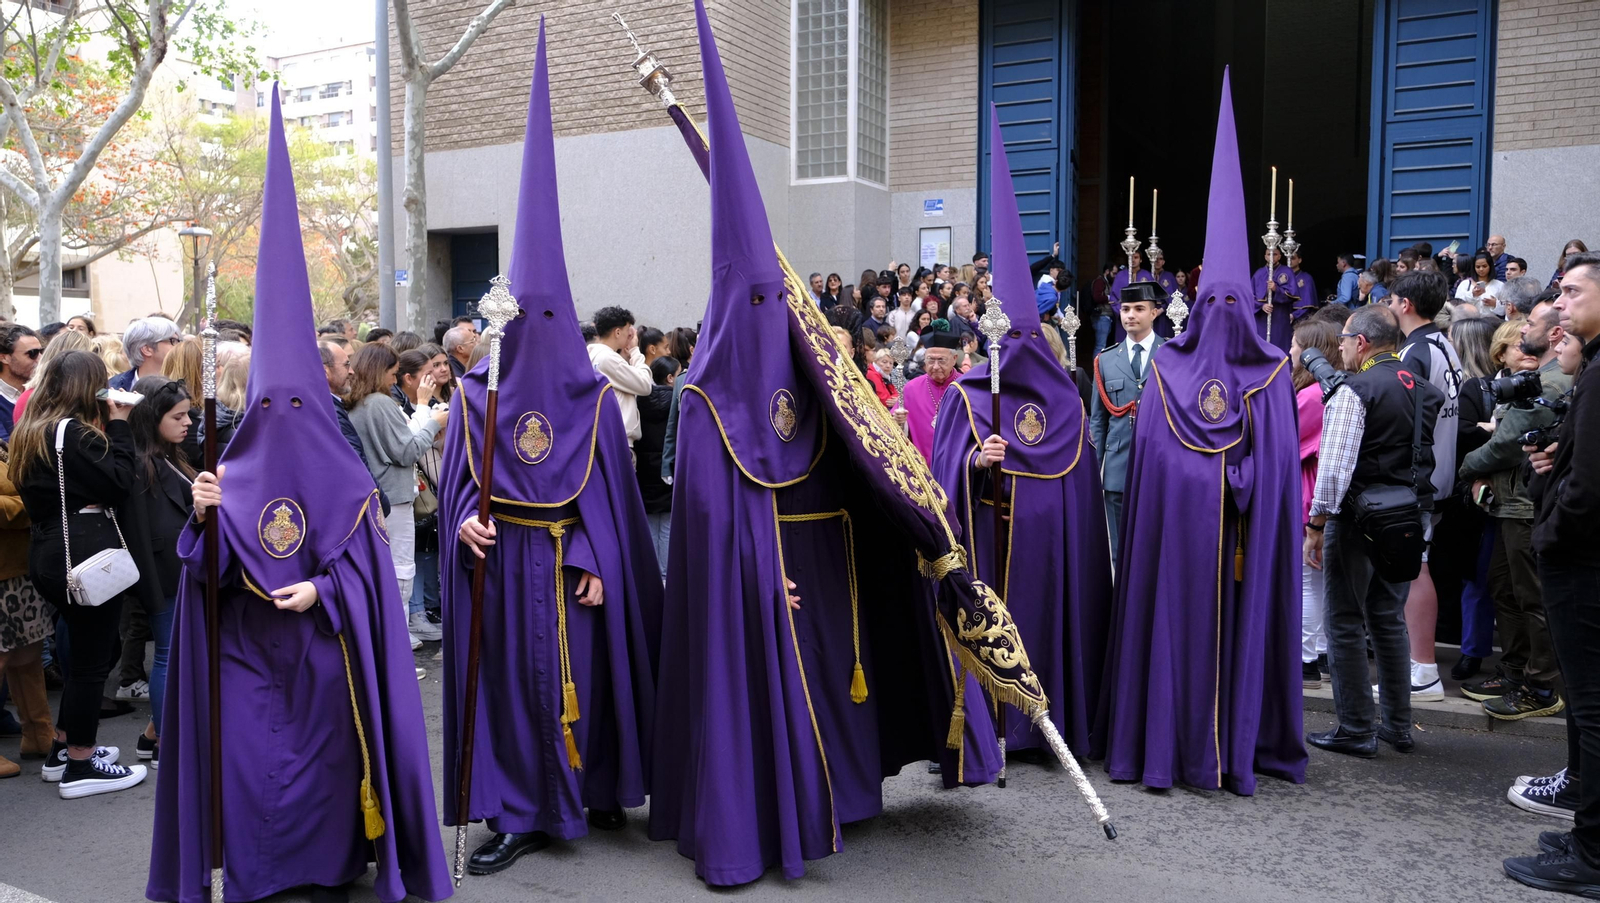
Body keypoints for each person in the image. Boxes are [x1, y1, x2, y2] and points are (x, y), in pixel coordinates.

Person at [649, 8, 1007, 884]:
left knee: (848, 681)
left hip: (837, 550)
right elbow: (702, 513)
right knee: (775, 690)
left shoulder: (820, 371)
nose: (777, 321)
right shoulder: (702, 399)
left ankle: (847, 797)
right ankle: (764, 813)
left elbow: (866, 452)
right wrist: (758, 574)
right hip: (769, 571)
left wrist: (915, 529)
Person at [147, 93, 450, 903]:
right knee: (250, 768)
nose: (280, 421)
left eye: (296, 404)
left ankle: (332, 865)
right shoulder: (227, 470)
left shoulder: (346, 475)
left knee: (323, 770)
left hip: (323, 652)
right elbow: (200, 581)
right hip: (246, 656)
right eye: (267, 406)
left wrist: (321, 585)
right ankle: (253, 875)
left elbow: (366, 576)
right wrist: (206, 514)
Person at [440, 37, 662, 875]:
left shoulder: (595, 399)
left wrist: (603, 554)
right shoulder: (473, 398)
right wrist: (464, 523)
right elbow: (458, 484)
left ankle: (594, 785)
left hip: (571, 562)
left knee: (587, 679)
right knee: (517, 685)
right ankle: (524, 808)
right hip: (504, 560)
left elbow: (616, 496)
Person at [1096, 70, 1306, 795]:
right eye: (1208, 299)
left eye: (1230, 299)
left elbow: (1277, 474)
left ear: (1246, 303)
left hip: (1240, 550)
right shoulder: (1165, 373)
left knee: (1233, 637)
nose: (1219, 310)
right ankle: (1165, 745)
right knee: (1169, 636)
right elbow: (1150, 457)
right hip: (1174, 549)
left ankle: (1236, 745)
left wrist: (1235, 482)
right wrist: (1220, 475)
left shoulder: (1272, 373)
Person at [931, 111, 1112, 761]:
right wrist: (976, 462)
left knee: (1047, 633)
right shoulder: (969, 394)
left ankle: (1049, 720)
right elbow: (938, 475)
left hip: (1051, 558)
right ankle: (992, 726)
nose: (1022, 348)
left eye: (1030, 336)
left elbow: (1081, 500)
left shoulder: (1067, 398)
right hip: (991, 541)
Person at [1304, 305, 1445, 759]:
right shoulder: (1420, 385)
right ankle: (1398, 726)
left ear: (1361, 343)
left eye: (1344, 340)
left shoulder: (1356, 389)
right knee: (1387, 618)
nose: (1341, 348)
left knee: (1345, 620)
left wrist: (1315, 523)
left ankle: (1356, 727)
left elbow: (1334, 469)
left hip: (1358, 516)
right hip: (1408, 513)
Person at [1502, 252, 1600, 894]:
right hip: (1578, 557)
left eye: (1570, 292)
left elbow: (1589, 491)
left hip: (1583, 565)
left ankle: (1591, 857)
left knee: (1591, 708)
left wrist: (1551, 532)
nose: (1558, 306)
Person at [10, 350, 144, 797]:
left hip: (49, 551)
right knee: (91, 662)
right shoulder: (74, 433)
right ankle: (81, 764)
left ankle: (64, 749)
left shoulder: (32, 430)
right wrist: (121, 423)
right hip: (82, 553)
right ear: (87, 387)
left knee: (86, 652)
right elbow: (122, 480)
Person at [1458, 301, 1570, 724]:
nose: (1523, 333)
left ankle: (1539, 686)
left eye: (1532, 325)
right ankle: (1516, 672)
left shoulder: (1552, 381)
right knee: (1505, 589)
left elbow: (1506, 442)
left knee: (1530, 596)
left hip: (1525, 506)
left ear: (1555, 334)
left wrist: (1466, 468)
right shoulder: (1541, 377)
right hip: (1511, 503)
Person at [1387, 270, 1463, 701]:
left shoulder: (1415, 351)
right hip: (1442, 471)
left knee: (1414, 568)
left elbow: (1406, 419)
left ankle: (1423, 670)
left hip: (1420, 476)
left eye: (1393, 299)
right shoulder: (1444, 343)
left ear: (1405, 305)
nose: (1391, 305)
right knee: (1418, 565)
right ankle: (1419, 665)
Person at [346, 343, 449, 652]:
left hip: (382, 494)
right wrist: (434, 422)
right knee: (401, 572)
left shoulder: (360, 402)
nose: (394, 380)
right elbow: (406, 451)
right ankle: (398, 646)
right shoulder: (379, 403)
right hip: (394, 496)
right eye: (392, 373)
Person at [121, 376, 198, 769]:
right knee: (168, 656)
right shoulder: (142, 464)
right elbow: (146, 532)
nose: (188, 423)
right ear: (154, 418)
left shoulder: (166, 456)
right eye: (179, 416)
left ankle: (153, 736)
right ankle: (167, 744)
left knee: (178, 656)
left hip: (178, 570)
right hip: (165, 575)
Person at [1444, 315, 1504, 682]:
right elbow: (1463, 433)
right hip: (1478, 494)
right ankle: (1471, 649)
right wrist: (1491, 431)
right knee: (1477, 576)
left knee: (1485, 576)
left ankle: (1475, 650)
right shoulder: (1471, 389)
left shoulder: (1480, 388)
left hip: (1495, 494)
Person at [1089, 281, 1164, 559]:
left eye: (1139, 309)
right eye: (1125, 309)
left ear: (1155, 313)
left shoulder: (1169, 354)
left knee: (1155, 544)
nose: (1130, 315)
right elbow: (1098, 421)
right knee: (1119, 551)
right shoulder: (1106, 360)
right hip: (1118, 468)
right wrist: (1094, 472)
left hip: (1159, 464)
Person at [1290, 318, 1342, 689]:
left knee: (1307, 580)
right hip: (1319, 493)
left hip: (1308, 492)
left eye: (1295, 345)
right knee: (1318, 581)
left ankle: (1305, 660)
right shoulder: (1333, 386)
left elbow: (1286, 438)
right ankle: (1321, 653)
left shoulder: (1311, 395)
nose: (1290, 351)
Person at [0, 435, 54, 779]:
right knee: (3, 658)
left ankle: (38, 734)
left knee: (27, 654)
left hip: (17, 567)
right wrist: (30, 502)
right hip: (4, 567)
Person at [587, 305, 653, 447]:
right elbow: (645, 385)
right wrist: (635, 350)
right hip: (618, 442)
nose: (629, 335)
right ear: (617, 332)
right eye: (627, 329)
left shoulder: (590, 354)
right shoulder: (608, 358)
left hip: (605, 438)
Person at [638, 355, 679, 579]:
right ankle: (665, 577)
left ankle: (649, 576)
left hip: (644, 470)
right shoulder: (678, 400)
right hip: (668, 469)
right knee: (667, 527)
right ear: (670, 378)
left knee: (650, 524)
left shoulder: (639, 398)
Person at [899, 326, 963, 463]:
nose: (935, 366)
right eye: (930, 360)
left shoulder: (966, 387)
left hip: (956, 465)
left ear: (954, 359)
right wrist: (899, 421)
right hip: (920, 467)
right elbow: (897, 426)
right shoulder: (911, 388)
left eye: (941, 360)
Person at [110, 316, 182, 391]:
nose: (179, 346)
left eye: (179, 341)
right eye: (173, 341)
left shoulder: (187, 386)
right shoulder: (112, 388)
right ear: (147, 349)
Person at [0, 324, 42, 441]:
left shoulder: (45, 392)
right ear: (4, 358)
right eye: (32, 353)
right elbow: (6, 449)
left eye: (41, 351)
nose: (40, 359)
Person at [1253, 245, 1297, 352]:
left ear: (1279, 256)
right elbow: (1249, 296)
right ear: (1265, 257)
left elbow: (1293, 294)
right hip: (1262, 318)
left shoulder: (1287, 271)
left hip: (1279, 316)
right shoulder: (1259, 273)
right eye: (1269, 254)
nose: (1272, 257)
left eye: (1275, 254)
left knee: (1280, 344)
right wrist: (1261, 305)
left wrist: (1276, 289)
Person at [1289, 251, 1318, 319]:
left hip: (1300, 318)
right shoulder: (1284, 278)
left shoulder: (1306, 278)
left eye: (1292, 258)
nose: (1290, 261)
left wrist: (1294, 315)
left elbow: (1308, 304)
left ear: (1299, 260)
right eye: (1288, 258)